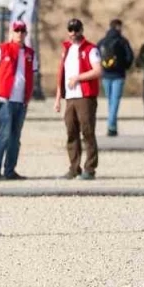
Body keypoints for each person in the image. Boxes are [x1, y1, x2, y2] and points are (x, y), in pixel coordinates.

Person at [54, 18, 102, 179]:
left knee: (87, 132)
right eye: (71, 29)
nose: (73, 33)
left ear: (81, 30)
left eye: (76, 29)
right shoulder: (66, 50)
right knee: (71, 131)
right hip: (70, 97)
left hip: (85, 96)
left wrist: (78, 78)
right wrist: (58, 98)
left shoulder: (90, 49)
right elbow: (61, 75)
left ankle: (90, 168)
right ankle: (74, 167)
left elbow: (97, 70)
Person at [0, 21, 35, 179]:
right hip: (5, 98)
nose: (19, 33)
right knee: (4, 134)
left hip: (21, 100)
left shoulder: (30, 53)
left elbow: (32, 73)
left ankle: (10, 170)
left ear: (26, 33)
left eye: (22, 31)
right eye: (17, 30)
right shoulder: (2, 49)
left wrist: (29, 95)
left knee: (15, 137)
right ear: (12, 32)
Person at [97, 19, 134, 137]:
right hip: (118, 75)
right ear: (118, 27)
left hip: (105, 75)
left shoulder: (102, 41)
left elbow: (96, 56)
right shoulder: (123, 41)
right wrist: (124, 67)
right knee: (115, 101)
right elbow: (130, 57)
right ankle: (111, 127)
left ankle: (113, 126)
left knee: (110, 101)